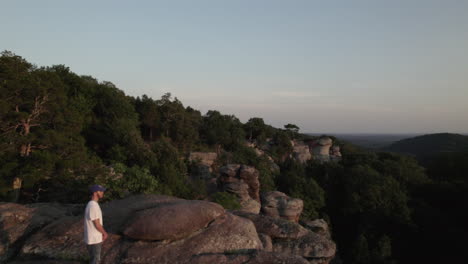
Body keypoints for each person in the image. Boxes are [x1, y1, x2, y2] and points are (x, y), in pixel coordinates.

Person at [84, 184, 108, 264]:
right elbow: (97, 224)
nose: (102, 193)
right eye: (100, 191)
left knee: (94, 260)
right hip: (94, 240)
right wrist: (104, 233)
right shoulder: (93, 205)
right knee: (95, 261)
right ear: (95, 193)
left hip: (93, 238)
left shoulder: (92, 204)